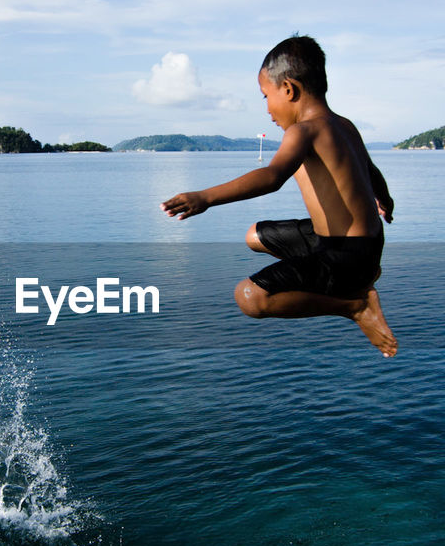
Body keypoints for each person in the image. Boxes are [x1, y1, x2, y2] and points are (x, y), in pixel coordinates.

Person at [161, 36, 398, 356]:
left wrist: (205, 197)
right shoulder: (344, 125)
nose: (268, 110)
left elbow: (272, 177)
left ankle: (354, 305)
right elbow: (370, 170)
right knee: (255, 236)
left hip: (348, 256)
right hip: (358, 243)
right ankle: (346, 281)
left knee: (249, 297)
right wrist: (384, 200)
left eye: (265, 97)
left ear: (289, 89)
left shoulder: (303, 131)